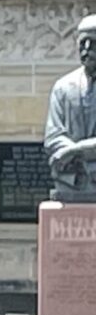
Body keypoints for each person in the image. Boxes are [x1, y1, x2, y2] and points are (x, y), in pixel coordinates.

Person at [46, 15, 96, 201]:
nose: (87, 50)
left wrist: (76, 151)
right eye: (83, 44)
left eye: (93, 43)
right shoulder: (63, 87)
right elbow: (53, 136)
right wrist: (68, 152)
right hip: (72, 180)